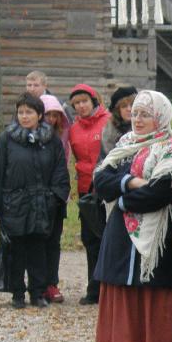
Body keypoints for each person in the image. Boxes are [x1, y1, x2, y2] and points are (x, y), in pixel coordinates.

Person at [92, 90, 172, 342]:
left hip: (161, 239)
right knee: (124, 300)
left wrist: (120, 197)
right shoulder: (124, 145)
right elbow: (101, 181)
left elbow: (161, 192)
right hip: (122, 238)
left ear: (160, 116)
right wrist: (131, 183)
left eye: (145, 114)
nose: (138, 119)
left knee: (157, 303)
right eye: (135, 113)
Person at [0, 94, 70, 309]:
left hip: (42, 203)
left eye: (29, 112)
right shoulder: (6, 139)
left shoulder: (51, 140)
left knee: (38, 249)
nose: (24, 116)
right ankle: (17, 293)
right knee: (15, 250)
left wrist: (55, 197)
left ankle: (38, 292)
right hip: (14, 202)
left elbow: (60, 171)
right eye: (21, 112)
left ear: (39, 115)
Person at [68, 84, 110, 305]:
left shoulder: (108, 121)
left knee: (107, 238)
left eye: (84, 101)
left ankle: (110, 288)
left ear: (94, 101)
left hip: (106, 188)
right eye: (76, 103)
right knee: (90, 239)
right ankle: (94, 287)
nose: (81, 106)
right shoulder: (74, 128)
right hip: (86, 190)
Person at [41, 95, 72, 304]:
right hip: (32, 197)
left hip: (55, 196)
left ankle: (50, 283)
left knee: (53, 241)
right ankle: (35, 284)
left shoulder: (61, 139)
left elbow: (64, 168)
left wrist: (60, 196)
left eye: (55, 115)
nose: (51, 119)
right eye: (48, 114)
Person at [100, 85, 137, 159]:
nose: (129, 109)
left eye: (132, 105)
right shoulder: (108, 135)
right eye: (124, 106)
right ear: (118, 111)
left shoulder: (146, 129)